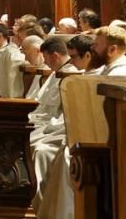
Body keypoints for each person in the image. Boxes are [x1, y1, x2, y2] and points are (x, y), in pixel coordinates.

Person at [27, 37, 81, 207]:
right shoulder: (56, 72)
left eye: (46, 58)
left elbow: (61, 113)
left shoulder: (70, 74)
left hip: (58, 125)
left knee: (37, 147)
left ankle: (39, 203)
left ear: (55, 56)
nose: (45, 62)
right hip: (47, 121)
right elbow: (40, 101)